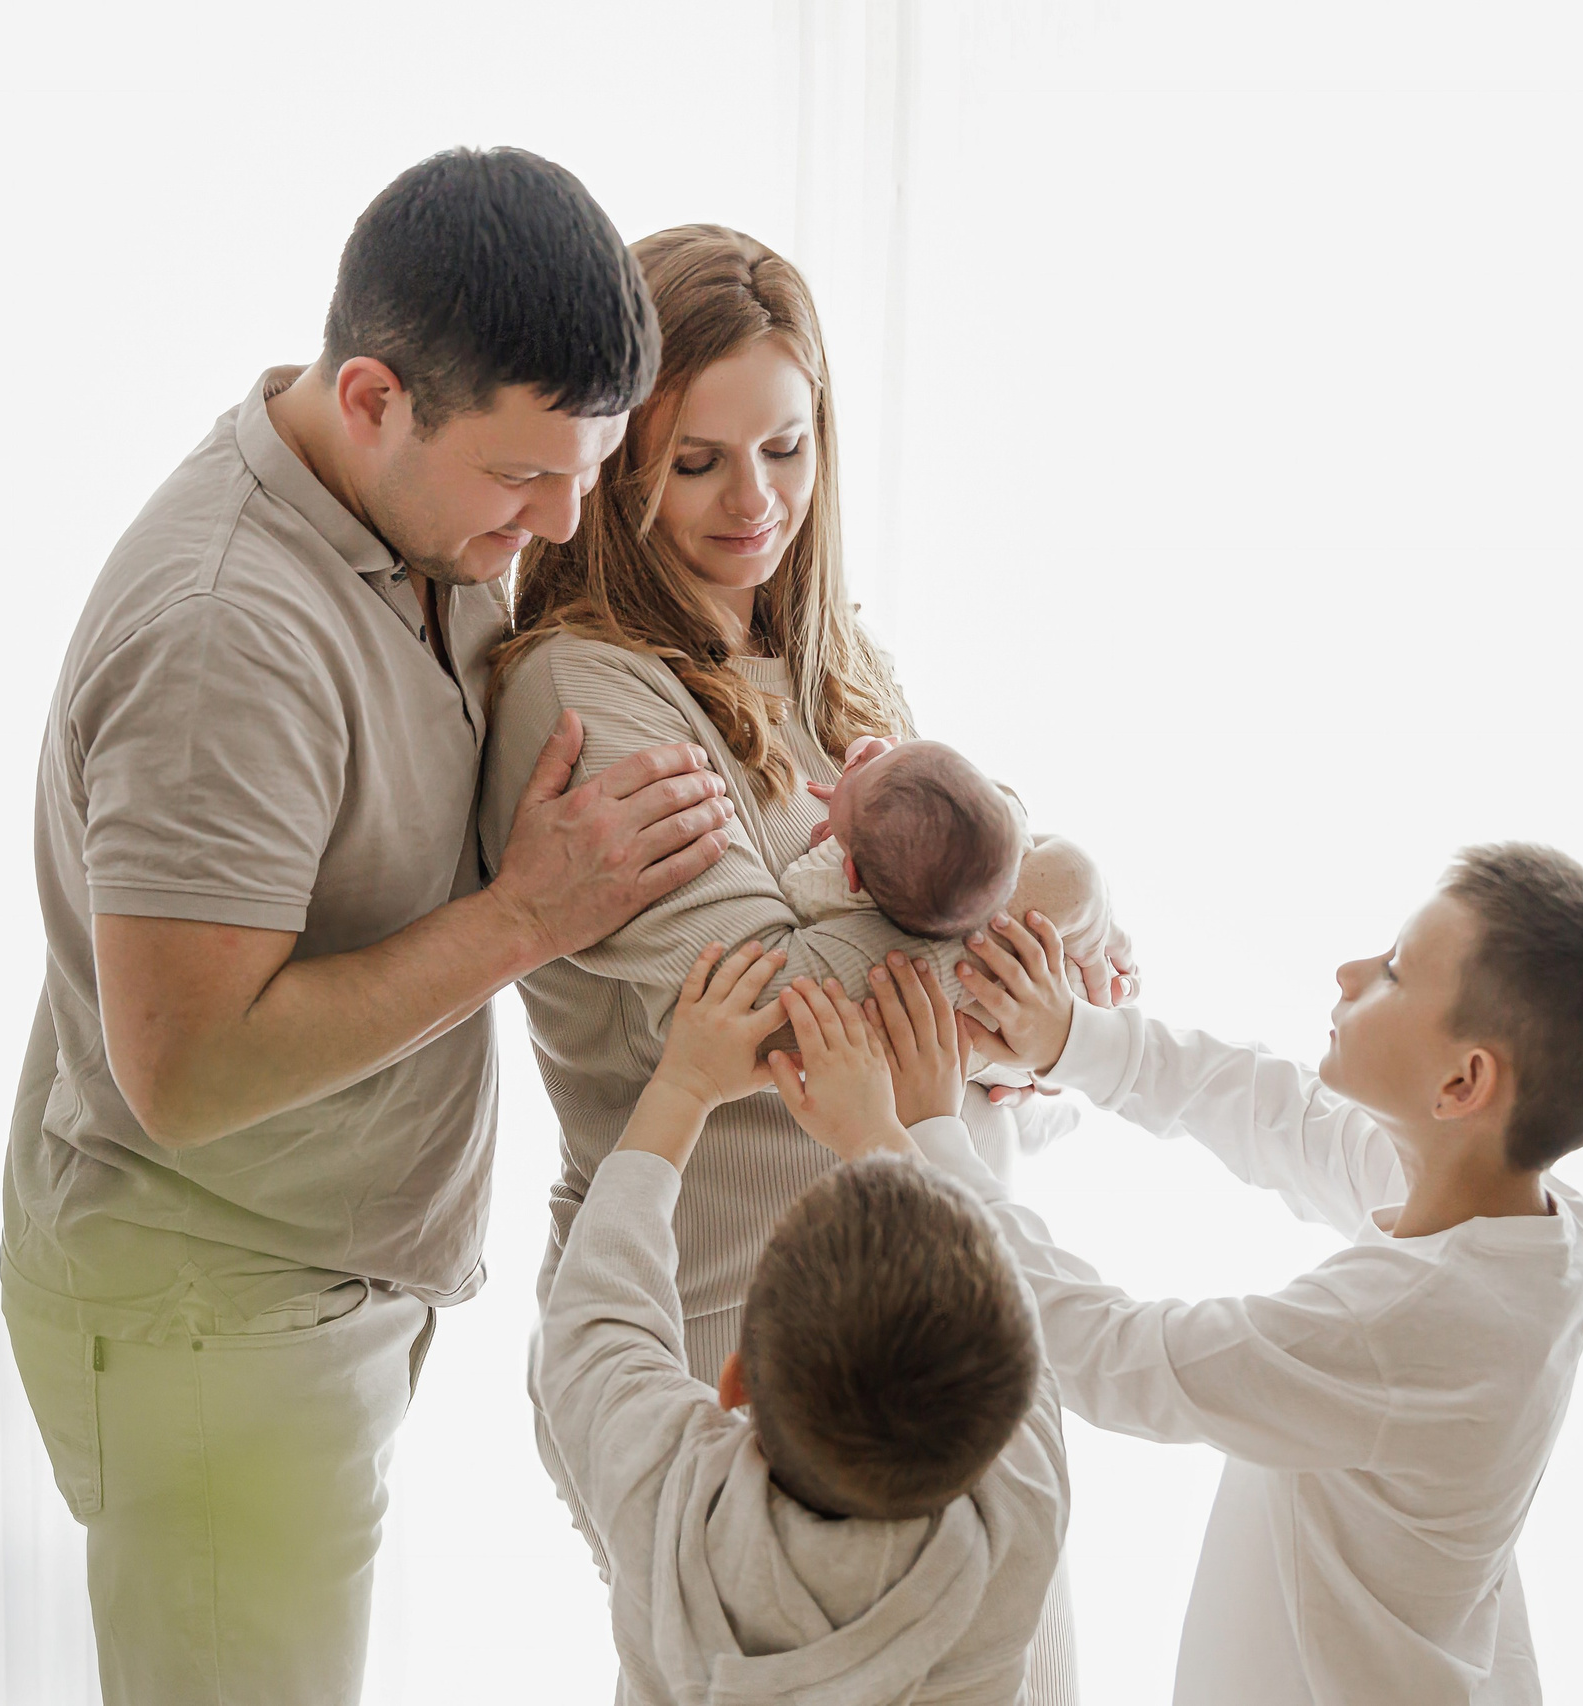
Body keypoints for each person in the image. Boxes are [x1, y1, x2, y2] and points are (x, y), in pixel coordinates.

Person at [1, 149, 741, 1706]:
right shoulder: (226, 639)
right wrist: (529, 915)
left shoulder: (425, 517)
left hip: (316, 1287)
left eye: (592, 467)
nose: (557, 521)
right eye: (523, 478)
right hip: (220, 1325)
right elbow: (186, 1071)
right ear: (369, 398)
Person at [478, 222, 1120, 1700]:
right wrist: (1061, 878)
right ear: (613, 459)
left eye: (785, 446)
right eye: (695, 460)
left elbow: (948, 925)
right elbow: (792, 1000)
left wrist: (1008, 974)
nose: (752, 503)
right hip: (728, 1318)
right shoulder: (583, 689)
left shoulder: (832, 655)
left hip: (931, 1291)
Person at [860, 844, 1583, 1706]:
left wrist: (928, 1135)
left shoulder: (1402, 1330)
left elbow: (1107, 1355)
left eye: (1396, 974)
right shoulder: (1527, 1215)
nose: (1350, 969)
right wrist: (1075, 1039)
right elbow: (1280, 1115)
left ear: (1462, 1081)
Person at [536, 940, 1068, 1705]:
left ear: (733, 1377)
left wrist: (686, 1083)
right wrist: (883, 1131)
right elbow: (600, 1327)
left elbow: (598, 1308)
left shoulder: (674, 1506)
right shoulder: (1025, 1507)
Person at [784, 734, 1121, 1002]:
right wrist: (859, 812)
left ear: (852, 873)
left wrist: (831, 847)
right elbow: (1000, 800)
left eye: (863, 765)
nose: (875, 744)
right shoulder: (1006, 834)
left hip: (1028, 1010)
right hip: (1054, 985)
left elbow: (798, 888)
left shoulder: (827, 887)